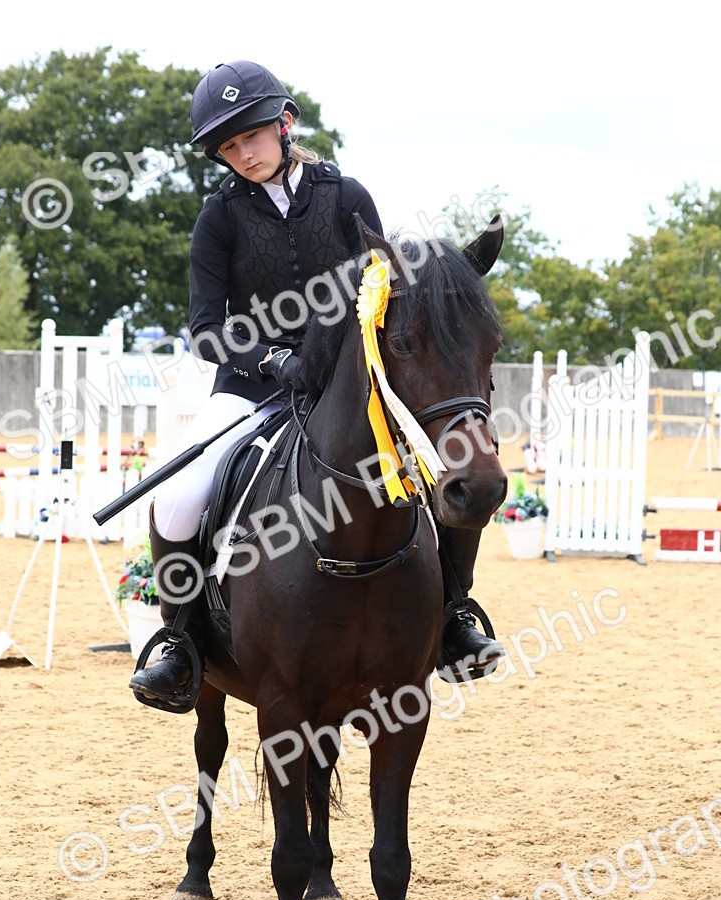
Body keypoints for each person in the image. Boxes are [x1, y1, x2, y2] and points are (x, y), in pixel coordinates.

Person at [129, 59, 503, 714]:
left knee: (445, 465)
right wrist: (273, 362)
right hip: (250, 391)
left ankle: (453, 615)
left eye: (251, 136)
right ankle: (182, 643)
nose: (243, 154)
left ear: (284, 123)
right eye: (229, 146)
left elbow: (385, 292)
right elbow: (205, 329)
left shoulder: (347, 196)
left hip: (349, 389)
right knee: (178, 496)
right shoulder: (218, 219)